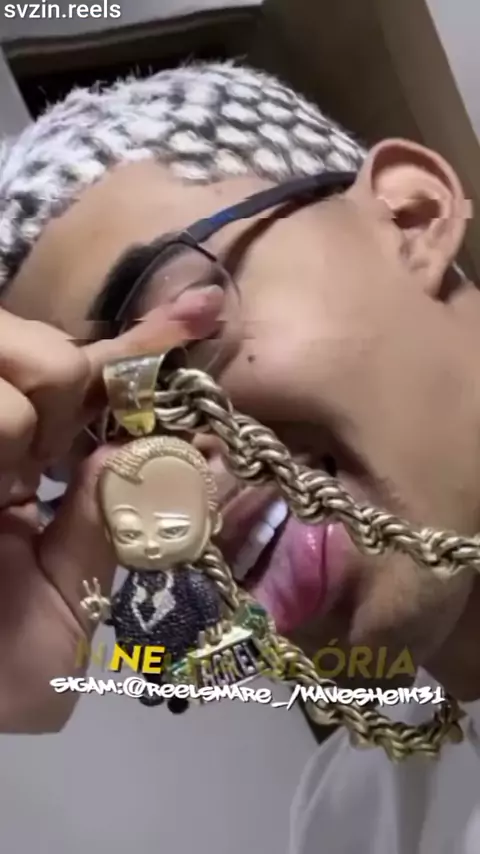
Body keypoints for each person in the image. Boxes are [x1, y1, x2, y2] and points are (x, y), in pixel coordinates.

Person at [0, 60, 479, 852]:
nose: (165, 478)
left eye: (178, 349)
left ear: (411, 217)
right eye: (85, 455)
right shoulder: (356, 824)